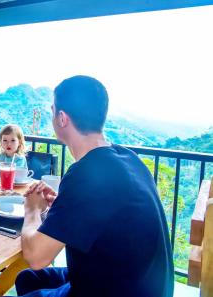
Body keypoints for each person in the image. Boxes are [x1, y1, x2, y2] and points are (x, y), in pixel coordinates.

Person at [16, 75, 174, 297]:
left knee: (31, 271)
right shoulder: (128, 158)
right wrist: (60, 207)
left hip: (116, 291)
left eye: (52, 111)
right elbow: (100, 216)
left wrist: (32, 209)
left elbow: (36, 257)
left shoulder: (86, 173)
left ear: (62, 118)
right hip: (140, 284)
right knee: (28, 279)